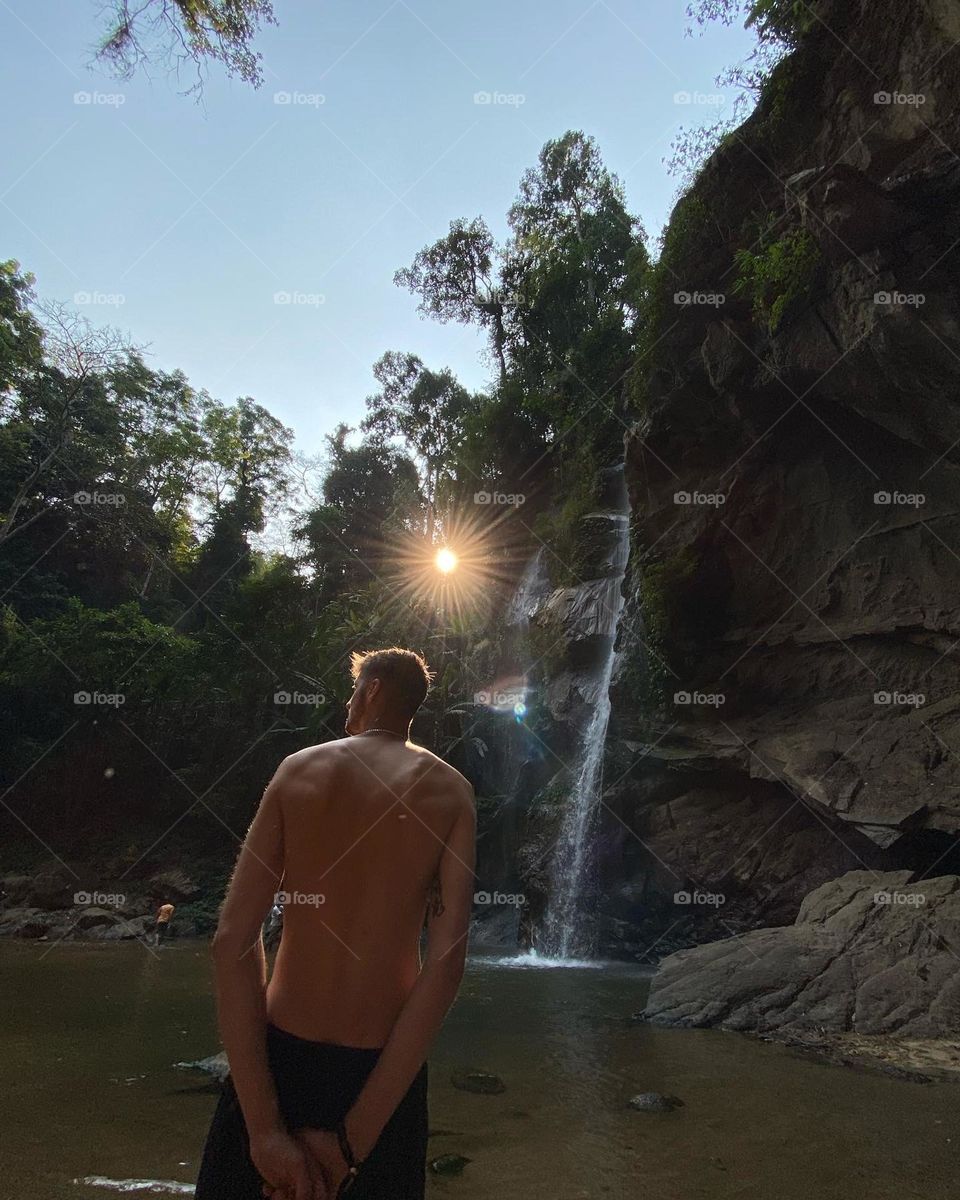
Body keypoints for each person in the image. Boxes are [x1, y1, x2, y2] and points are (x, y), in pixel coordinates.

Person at [195, 647, 477, 1200]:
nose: (348, 705)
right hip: (379, 1077)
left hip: (279, 1066)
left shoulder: (299, 771)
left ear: (372, 689)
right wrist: (349, 1145)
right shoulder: (451, 793)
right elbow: (445, 967)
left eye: (352, 692)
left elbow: (231, 942)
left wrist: (264, 1130)